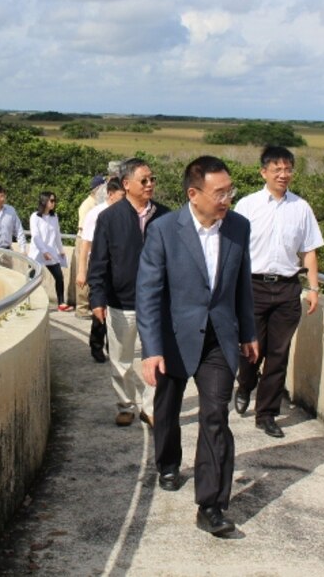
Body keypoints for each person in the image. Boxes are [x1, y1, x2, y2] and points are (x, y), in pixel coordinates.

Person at [136, 156, 259, 537]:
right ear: (194, 193)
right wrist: (152, 348)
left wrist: (249, 332)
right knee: (168, 406)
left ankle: (211, 506)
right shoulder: (164, 230)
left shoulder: (238, 226)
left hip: (218, 340)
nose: (227, 199)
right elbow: (149, 292)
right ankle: (168, 463)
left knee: (215, 417)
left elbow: (242, 285)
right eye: (219, 193)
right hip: (173, 336)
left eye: (230, 191)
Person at [233, 145, 324, 438]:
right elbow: (233, 248)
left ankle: (267, 414)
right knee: (250, 348)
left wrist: (313, 287)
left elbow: (308, 251)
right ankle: (246, 383)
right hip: (252, 286)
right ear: (264, 172)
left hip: (286, 288)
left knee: (278, 354)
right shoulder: (247, 206)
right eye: (277, 169)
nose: (283, 175)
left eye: (288, 169)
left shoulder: (301, 208)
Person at [87, 158, 170, 427]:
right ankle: (125, 404)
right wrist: (97, 298)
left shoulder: (166, 216)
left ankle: (150, 407)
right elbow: (98, 261)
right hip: (121, 302)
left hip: (158, 303)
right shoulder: (109, 218)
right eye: (143, 180)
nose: (149, 185)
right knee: (121, 360)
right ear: (126, 184)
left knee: (156, 358)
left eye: (152, 179)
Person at [76, 177, 124, 362]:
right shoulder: (96, 214)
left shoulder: (125, 213)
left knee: (117, 311)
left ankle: (113, 347)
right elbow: (85, 245)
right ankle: (96, 345)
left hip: (118, 269)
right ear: (111, 194)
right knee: (99, 309)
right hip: (99, 269)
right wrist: (82, 272)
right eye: (121, 196)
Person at [28, 191, 72, 311]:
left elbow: (57, 234)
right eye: (51, 201)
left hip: (51, 253)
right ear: (44, 201)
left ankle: (61, 303)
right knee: (33, 279)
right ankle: (29, 303)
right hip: (37, 253)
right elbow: (35, 236)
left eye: (54, 201)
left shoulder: (54, 216)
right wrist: (44, 251)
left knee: (59, 276)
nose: (54, 203)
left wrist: (61, 249)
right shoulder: (35, 217)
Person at [73, 174, 106, 318]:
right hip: (84, 240)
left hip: (89, 240)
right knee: (84, 274)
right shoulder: (88, 205)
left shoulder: (95, 204)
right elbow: (84, 229)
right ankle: (82, 308)